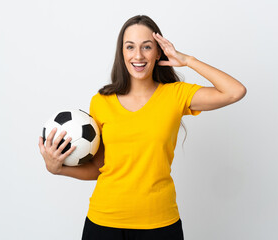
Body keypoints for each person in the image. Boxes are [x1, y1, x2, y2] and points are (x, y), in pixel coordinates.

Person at [38, 15, 246, 240]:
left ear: (159, 52)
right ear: (122, 53)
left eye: (147, 47)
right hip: (103, 222)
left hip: (160, 224)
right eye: (130, 47)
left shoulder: (176, 95)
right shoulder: (101, 101)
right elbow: (100, 168)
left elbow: (234, 91)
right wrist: (57, 169)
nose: (138, 55)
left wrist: (187, 60)